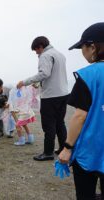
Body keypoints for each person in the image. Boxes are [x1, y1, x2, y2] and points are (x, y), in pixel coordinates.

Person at [58, 22, 104, 200]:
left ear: (92, 47)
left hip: (90, 148)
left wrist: (67, 148)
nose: (82, 53)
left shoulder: (88, 75)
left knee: (85, 194)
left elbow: (79, 116)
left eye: (82, 48)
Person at [17, 36, 69, 161]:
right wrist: (39, 83)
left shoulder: (45, 55)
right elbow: (52, 75)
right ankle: (63, 148)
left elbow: (44, 73)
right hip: (63, 93)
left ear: (40, 46)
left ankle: (48, 152)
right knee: (60, 123)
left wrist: (24, 82)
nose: (36, 53)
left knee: (49, 125)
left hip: (50, 96)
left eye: (36, 50)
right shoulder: (60, 55)